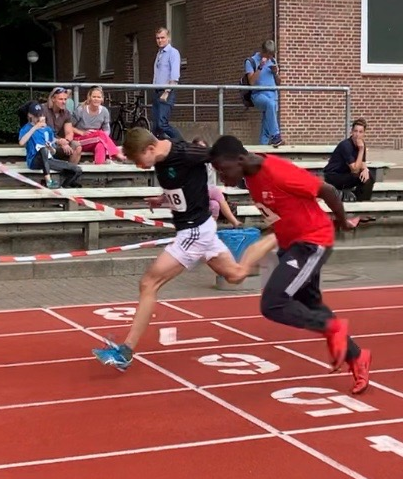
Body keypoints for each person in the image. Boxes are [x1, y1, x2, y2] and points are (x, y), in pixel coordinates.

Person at [209, 135, 371, 394]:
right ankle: (358, 358)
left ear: (240, 160)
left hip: (312, 241)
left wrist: (342, 221)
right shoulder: (250, 178)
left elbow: (326, 190)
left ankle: (333, 329)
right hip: (291, 245)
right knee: (312, 305)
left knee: (273, 303)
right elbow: (275, 214)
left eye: (223, 171)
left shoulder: (278, 172)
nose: (223, 179)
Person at [91, 127, 249, 370]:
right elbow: (183, 191)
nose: (138, 167)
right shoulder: (161, 159)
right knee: (236, 275)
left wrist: (253, 170)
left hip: (194, 231)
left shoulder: (186, 153)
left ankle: (126, 351)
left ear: (151, 149)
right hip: (201, 228)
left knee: (148, 284)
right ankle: (272, 243)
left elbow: (223, 153)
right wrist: (162, 200)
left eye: (138, 161)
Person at [17, 102, 83, 188]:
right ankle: (48, 181)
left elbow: (53, 150)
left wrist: (51, 148)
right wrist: (35, 128)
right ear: (30, 115)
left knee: (77, 170)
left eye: (40, 115)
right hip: (34, 160)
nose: (39, 118)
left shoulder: (47, 130)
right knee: (43, 150)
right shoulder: (27, 128)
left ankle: (64, 186)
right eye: (36, 116)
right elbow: (21, 142)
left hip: (48, 159)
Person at [324, 119, 376, 205]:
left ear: (364, 133)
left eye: (360, 132)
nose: (357, 135)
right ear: (351, 132)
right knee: (358, 176)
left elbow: (362, 163)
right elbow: (355, 169)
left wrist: (365, 169)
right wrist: (361, 150)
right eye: (355, 131)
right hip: (333, 176)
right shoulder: (346, 145)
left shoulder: (361, 143)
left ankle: (363, 207)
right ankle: (357, 207)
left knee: (369, 177)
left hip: (346, 175)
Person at [71, 86, 125, 163]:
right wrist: (82, 132)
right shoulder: (81, 110)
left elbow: (106, 130)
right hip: (80, 140)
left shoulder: (104, 111)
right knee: (100, 134)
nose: (96, 99)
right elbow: (69, 127)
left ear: (102, 99)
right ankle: (116, 153)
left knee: (101, 145)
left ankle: (99, 168)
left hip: (96, 139)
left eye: (98, 97)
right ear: (89, 98)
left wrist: (100, 135)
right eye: (94, 97)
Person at [245, 39, 282, 147]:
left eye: (272, 55)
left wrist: (275, 73)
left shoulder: (273, 61)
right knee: (270, 105)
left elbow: (279, 82)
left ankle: (263, 147)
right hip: (258, 95)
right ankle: (276, 136)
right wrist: (260, 66)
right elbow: (251, 82)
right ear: (263, 51)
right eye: (268, 54)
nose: (270, 57)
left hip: (273, 95)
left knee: (267, 123)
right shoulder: (251, 61)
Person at [152, 26, 182, 141]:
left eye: (162, 38)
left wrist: (167, 91)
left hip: (166, 91)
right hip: (156, 91)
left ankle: (182, 143)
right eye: (158, 38)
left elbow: (174, 75)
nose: (160, 40)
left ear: (168, 38)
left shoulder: (173, 53)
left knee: (162, 123)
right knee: (156, 127)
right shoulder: (159, 54)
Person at [44, 87, 82, 163]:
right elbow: (42, 133)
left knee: (77, 147)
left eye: (65, 99)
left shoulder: (66, 113)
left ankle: (71, 171)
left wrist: (65, 141)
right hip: (45, 140)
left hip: (60, 140)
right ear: (53, 99)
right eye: (61, 99)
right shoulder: (43, 109)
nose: (64, 102)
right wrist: (58, 141)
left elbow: (69, 133)